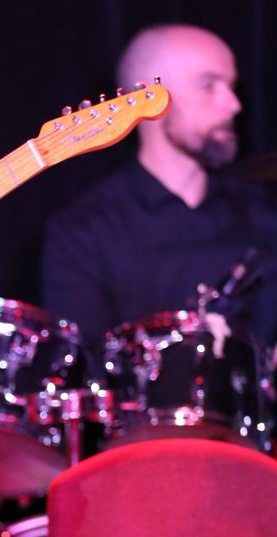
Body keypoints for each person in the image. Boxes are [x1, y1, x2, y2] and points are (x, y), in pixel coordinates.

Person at [41, 23, 277, 370]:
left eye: (231, 86)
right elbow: (85, 374)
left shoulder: (264, 214)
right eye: (208, 86)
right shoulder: (83, 231)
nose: (233, 105)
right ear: (149, 100)